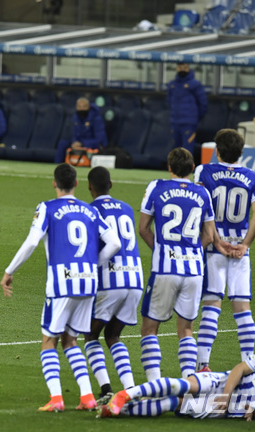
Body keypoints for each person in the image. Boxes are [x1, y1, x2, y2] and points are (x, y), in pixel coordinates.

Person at [0, 163, 121, 412]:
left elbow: (32, 241)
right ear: (76, 184)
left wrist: (9, 271)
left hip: (61, 284)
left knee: (48, 341)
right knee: (70, 340)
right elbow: (115, 243)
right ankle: (87, 397)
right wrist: (92, 265)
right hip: (88, 283)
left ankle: (56, 399)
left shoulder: (47, 208)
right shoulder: (90, 211)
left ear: (54, 183)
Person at [138, 148, 227, 382]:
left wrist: (160, 249)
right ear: (191, 168)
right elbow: (209, 235)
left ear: (169, 168)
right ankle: (190, 383)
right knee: (186, 329)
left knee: (149, 329)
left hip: (165, 268)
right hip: (194, 270)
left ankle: (154, 384)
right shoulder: (203, 193)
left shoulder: (156, 187)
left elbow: (143, 227)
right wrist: (193, 250)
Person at [102, 340, 255, 420]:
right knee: (187, 385)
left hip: (230, 408)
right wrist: (226, 394)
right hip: (224, 383)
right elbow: (239, 369)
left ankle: (115, 410)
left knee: (175, 403)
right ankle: (125, 395)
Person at [193, 129, 255, 372]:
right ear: (241, 152)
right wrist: (245, 244)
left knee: (212, 305)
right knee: (243, 308)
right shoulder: (253, 176)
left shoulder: (204, 171)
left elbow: (200, 206)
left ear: (217, 150)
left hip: (215, 248)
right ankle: (248, 364)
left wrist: (214, 240)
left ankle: (203, 364)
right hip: (238, 251)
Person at [84, 166, 144, 405]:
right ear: (111, 184)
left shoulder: (90, 211)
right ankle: (130, 390)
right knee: (113, 335)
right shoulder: (127, 208)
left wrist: (94, 268)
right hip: (135, 279)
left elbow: (108, 245)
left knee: (90, 335)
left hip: (111, 281)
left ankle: (107, 389)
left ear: (90, 187)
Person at [167, 63, 207, 156]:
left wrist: (195, 118)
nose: (182, 70)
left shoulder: (195, 85)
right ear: (176, 68)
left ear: (189, 68)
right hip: (175, 122)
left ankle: (187, 169)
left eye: (185, 68)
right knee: (175, 149)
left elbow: (203, 104)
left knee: (187, 148)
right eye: (180, 67)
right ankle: (176, 169)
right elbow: (169, 102)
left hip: (189, 123)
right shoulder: (172, 85)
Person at [55, 97, 107, 164]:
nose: (81, 109)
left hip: (93, 144)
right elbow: (75, 134)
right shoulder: (75, 118)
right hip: (80, 143)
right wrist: (75, 142)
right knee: (62, 143)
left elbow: (100, 139)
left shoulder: (97, 118)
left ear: (89, 107)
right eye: (79, 107)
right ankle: (57, 167)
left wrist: (82, 143)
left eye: (84, 106)